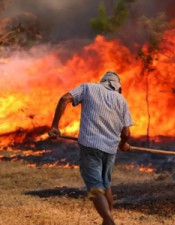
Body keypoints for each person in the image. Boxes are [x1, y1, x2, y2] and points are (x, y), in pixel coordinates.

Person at [48, 71, 133, 225]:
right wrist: (122, 144)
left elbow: (65, 98)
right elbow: (126, 133)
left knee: (95, 185)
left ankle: (108, 219)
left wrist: (55, 126)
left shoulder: (88, 88)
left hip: (90, 146)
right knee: (105, 184)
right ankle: (107, 220)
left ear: (103, 82)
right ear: (117, 87)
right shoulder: (122, 101)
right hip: (110, 149)